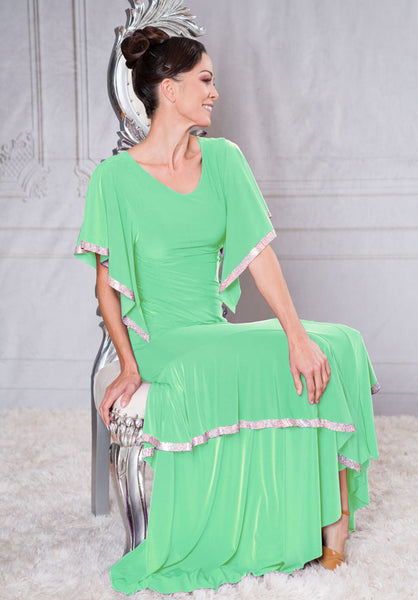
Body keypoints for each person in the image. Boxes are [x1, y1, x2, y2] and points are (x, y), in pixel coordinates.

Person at [74, 26, 380, 595]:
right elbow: (106, 288)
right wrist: (130, 365)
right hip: (164, 343)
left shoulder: (223, 159)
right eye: (205, 80)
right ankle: (295, 527)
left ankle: (331, 526)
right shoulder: (114, 179)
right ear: (169, 89)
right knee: (287, 353)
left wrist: (296, 335)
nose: (215, 92)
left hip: (212, 334)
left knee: (337, 342)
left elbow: (259, 254)